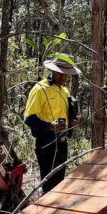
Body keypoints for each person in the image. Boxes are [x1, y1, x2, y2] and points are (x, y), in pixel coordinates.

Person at [25, 53, 81, 193]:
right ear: (53, 70)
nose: (63, 77)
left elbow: (68, 115)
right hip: (46, 145)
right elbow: (29, 118)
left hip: (62, 144)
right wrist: (49, 126)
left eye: (66, 74)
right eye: (60, 73)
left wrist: (72, 124)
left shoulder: (65, 91)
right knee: (49, 185)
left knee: (60, 184)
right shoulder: (39, 89)